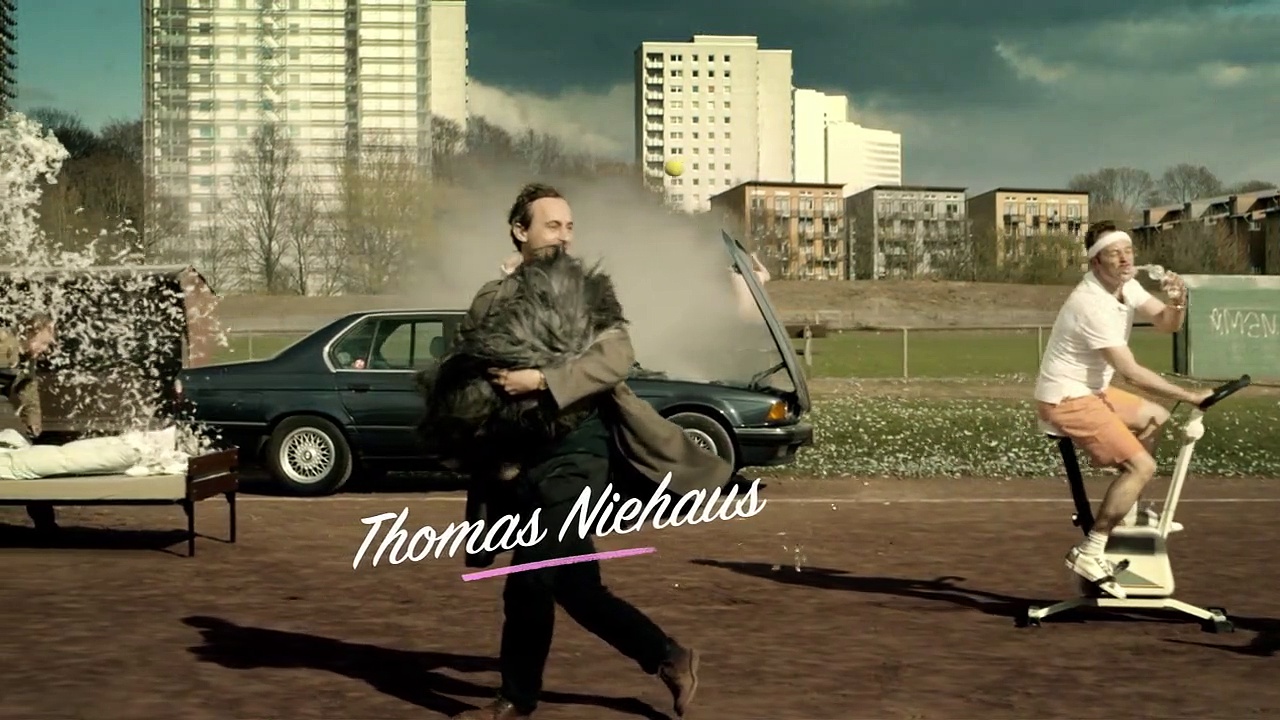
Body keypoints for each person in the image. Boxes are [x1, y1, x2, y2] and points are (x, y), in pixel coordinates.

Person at [450, 183, 734, 720]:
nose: (564, 236)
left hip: (579, 448)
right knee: (579, 589)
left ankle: (515, 700)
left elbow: (616, 357)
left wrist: (543, 380)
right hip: (520, 456)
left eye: (569, 226)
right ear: (520, 230)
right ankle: (670, 656)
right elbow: (467, 361)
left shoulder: (588, 291)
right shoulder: (491, 296)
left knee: (532, 574)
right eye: (552, 225)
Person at [1034, 223, 1211, 598]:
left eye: (1128, 250)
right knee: (1142, 467)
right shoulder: (1090, 303)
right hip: (1066, 398)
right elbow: (1130, 372)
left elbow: (1167, 324)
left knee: (1155, 417)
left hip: (1092, 391)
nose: (1125, 258)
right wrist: (1190, 395)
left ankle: (1127, 510)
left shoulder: (1126, 286)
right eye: (1114, 253)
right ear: (1096, 262)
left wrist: (1178, 301)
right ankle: (1091, 550)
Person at [0, 311, 59, 531]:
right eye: (44, 343)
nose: (46, 349)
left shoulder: (27, 358)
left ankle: (45, 522)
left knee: (29, 457)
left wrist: (33, 422)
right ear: (29, 333)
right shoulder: (4, 343)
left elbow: (28, 391)